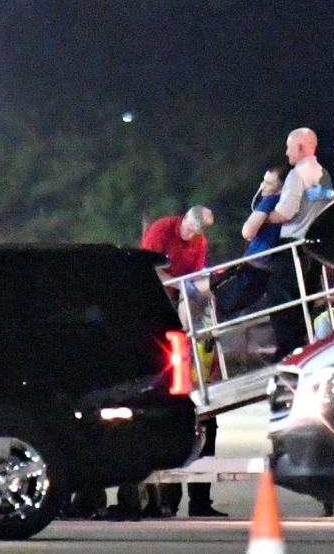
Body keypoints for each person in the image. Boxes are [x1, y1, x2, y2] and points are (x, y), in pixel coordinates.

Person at [138, 205, 226, 518]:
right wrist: (179, 285)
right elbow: (148, 269)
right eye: (188, 230)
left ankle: (199, 501)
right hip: (154, 291)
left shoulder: (198, 243)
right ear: (183, 221)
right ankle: (165, 501)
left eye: (195, 234)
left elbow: (195, 276)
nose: (190, 236)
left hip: (180, 297)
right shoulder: (162, 229)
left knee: (201, 293)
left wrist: (192, 288)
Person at [267, 127, 333, 360]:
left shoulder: (297, 175)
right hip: (314, 250)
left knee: (280, 302)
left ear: (301, 148)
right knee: (304, 304)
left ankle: (287, 355)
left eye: (289, 147)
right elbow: (322, 201)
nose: (286, 153)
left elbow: (286, 212)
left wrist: (266, 215)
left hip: (293, 249)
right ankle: (303, 350)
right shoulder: (323, 173)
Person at [213, 166, 286, 317]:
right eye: (264, 181)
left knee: (221, 302)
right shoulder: (288, 203)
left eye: (269, 183)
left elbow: (247, 231)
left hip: (255, 264)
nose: (263, 186)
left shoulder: (271, 200)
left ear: (281, 187)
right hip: (269, 268)